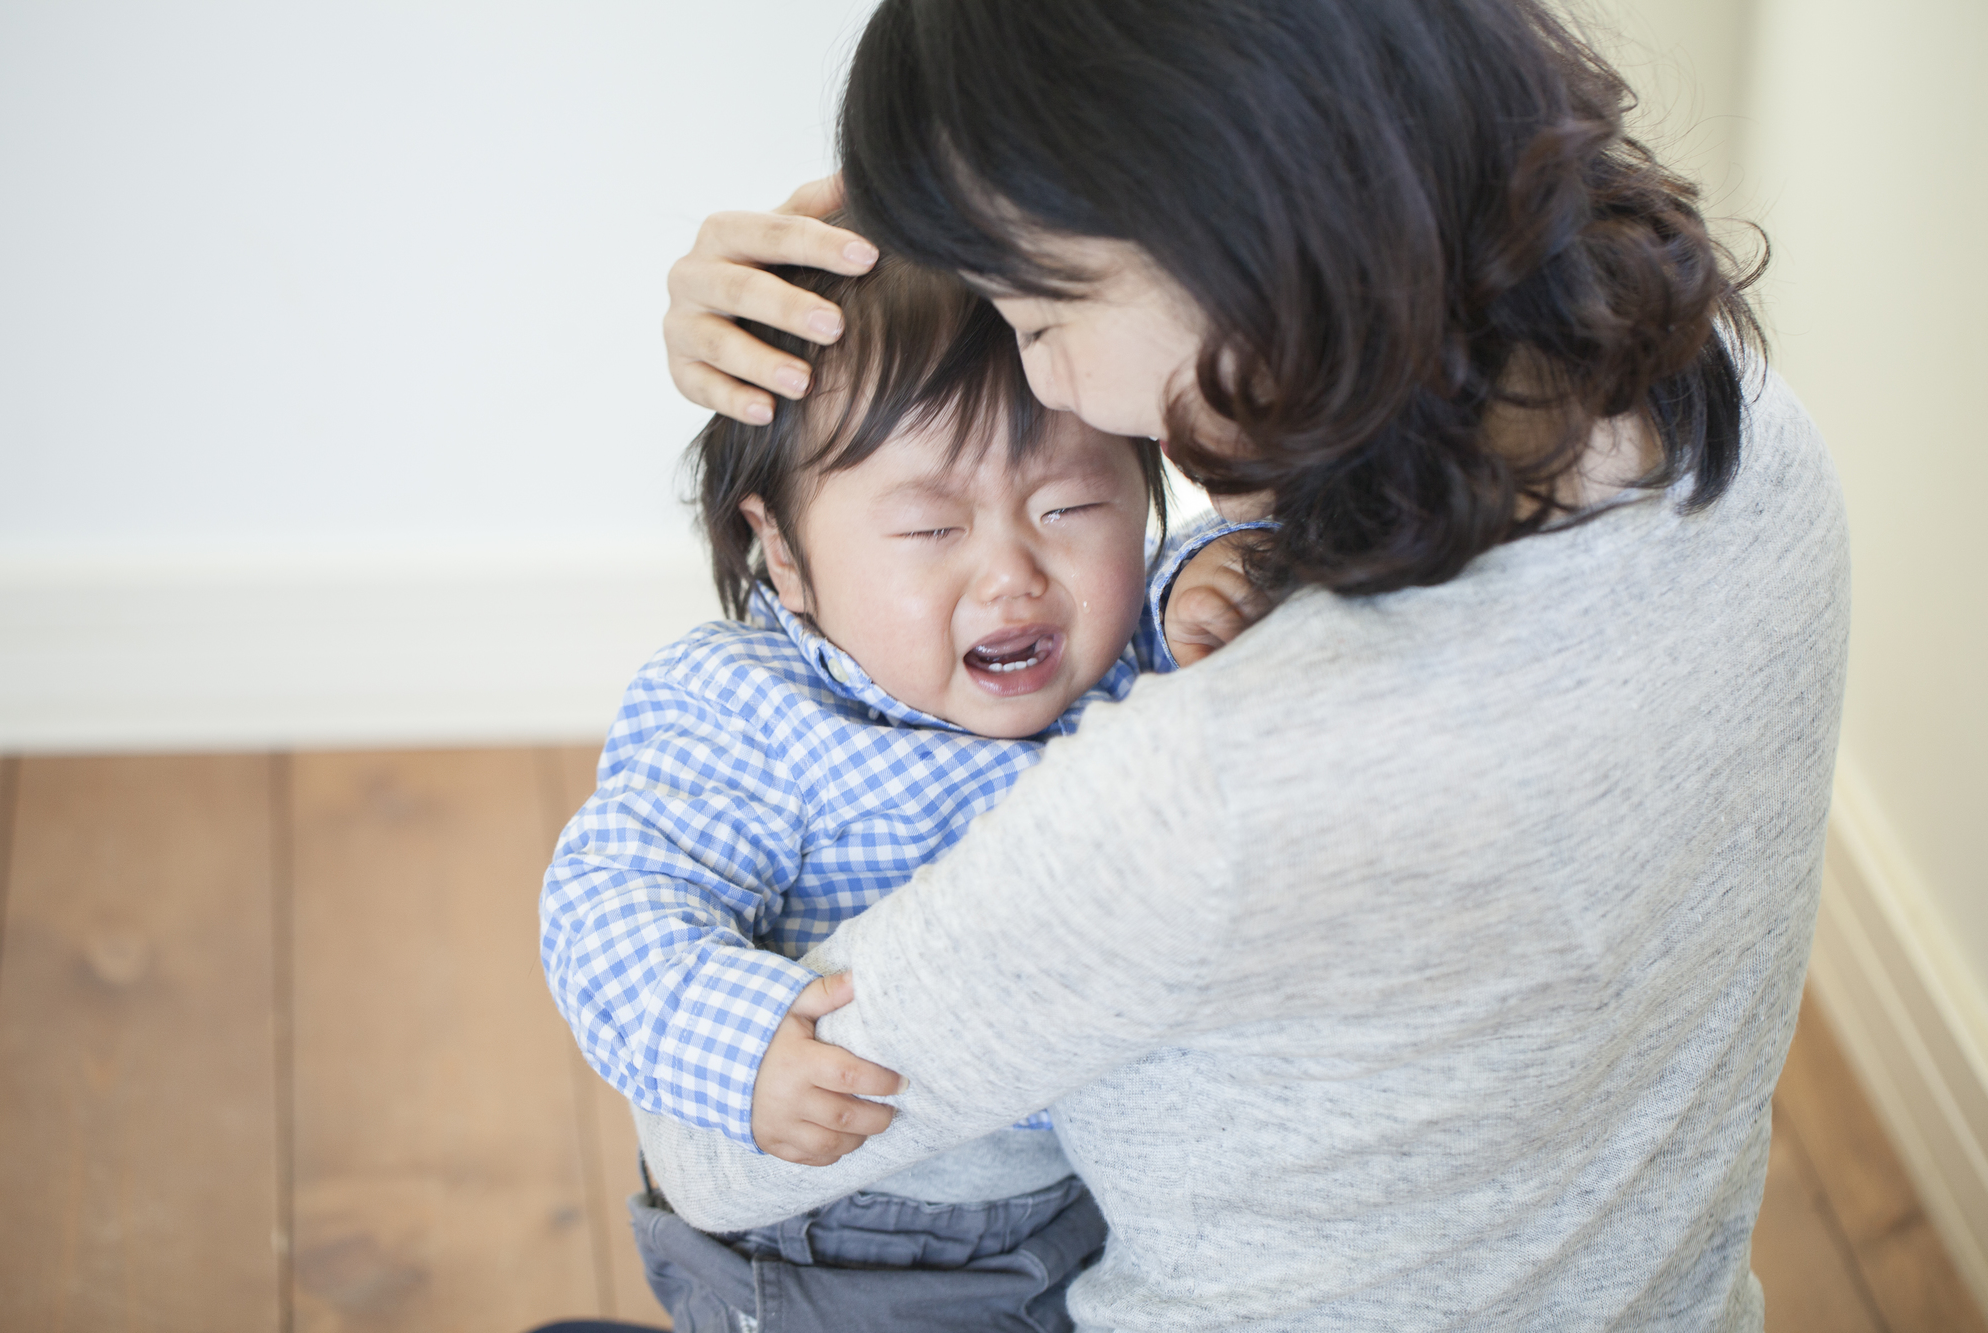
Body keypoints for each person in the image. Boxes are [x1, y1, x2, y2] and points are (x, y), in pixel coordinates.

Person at [631, 1, 1851, 1330]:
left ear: (1215, 217)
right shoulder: (1735, 420)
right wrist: (901, 262)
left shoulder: (1216, 786)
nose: (1057, 385)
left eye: (1035, 314)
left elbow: (716, 1153)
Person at [540, 246, 1265, 1331]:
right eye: (931, 529)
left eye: (1069, 506)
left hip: (1090, 1197)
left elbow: (1228, 557)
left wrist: (1229, 569)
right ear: (782, 556)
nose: (1012, 573)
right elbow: (608, 899)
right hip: (845, 1239)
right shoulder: (748, 711)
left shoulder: (1138, 644)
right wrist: (739, 1044)